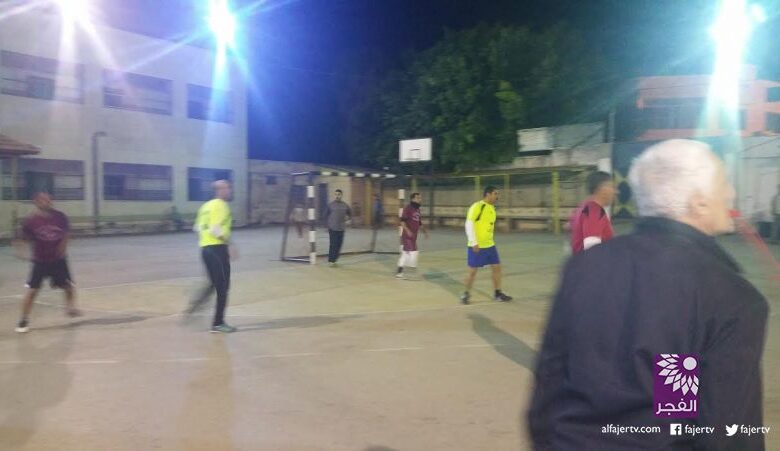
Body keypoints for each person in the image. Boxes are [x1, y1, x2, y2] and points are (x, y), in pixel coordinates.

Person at [528, 139, 768, 450]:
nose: (731, 193)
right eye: (724, 183)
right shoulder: (728, 295)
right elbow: (726, 430)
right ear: (699, 202)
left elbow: (549, 388)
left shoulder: (583, 267)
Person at [13, 192, 81, 333]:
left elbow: (66, 234)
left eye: (48, 199)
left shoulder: (60, 217)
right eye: (43, 199)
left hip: (58, 260)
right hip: (40, 261)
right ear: (36, 202)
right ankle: (23, 320)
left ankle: (70, 308)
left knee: (68, 286)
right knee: (32, 291)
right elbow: (22, 238)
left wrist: (62, 247)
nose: (46, 201)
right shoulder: (31, 221)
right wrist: (21, 249)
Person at [186, 180, 237, 333]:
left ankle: (197, 303)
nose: (229, 190)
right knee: (223, 286)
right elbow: (216, 229)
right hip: (217, 249)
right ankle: (218, 323)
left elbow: (196, 227)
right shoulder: (221, 205)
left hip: (205, 250)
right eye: (227, 187)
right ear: (220, 190)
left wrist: (206, 240)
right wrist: (230, 244)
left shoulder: (205, 206)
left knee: (214, 283)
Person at [460, 186, 512, 304]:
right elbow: (469, 223)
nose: (497, 196)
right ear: (488, 194)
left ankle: (497, 294)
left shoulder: (492, 208)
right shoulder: (477, 206)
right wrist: (474, 241)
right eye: (495, 194)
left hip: (490, 245)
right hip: (477, 246)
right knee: (472, 272)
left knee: (497, 268)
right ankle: (465, 294)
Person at [569, 171, 616, 254]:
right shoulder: (594, 211)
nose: (615, 192)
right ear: (603, 189)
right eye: (612, 187)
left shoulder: (584, 207)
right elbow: (592, 251)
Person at [396, 192, 428, 279]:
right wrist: (407, 230)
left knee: (405, 254)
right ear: (413, 199)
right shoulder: (408, 208)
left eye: (420, 198)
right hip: (407, 236)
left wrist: (425, 232)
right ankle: (410, 273)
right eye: (418, 198)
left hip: (414, 236)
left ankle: (399, 273)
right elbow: (402, 221)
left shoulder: (417, 209)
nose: (420, 199)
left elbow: (419, 223)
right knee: (414, 253)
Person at [325, 189, 351, 267]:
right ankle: (331, 261)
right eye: (336, 194)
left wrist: (348, 220)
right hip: (332, 228)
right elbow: (325, 215)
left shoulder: (345, 205)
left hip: (341, 229)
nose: (337, 196)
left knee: (339, 245)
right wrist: (327, 225)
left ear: (341, 195)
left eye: (339, 194)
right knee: (333, 245)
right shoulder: (330, 205)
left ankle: (335, 260)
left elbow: (350, 214)